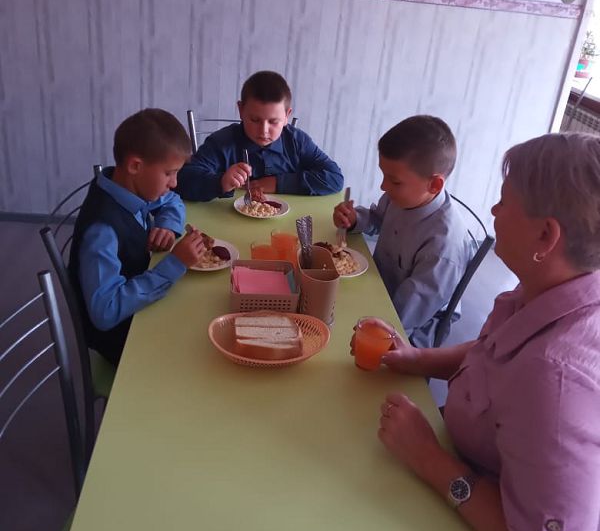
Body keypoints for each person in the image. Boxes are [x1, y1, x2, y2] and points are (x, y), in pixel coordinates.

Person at [376, 132, 600, 531]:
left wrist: (428, 458)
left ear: (546, 236)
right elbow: (489, 353)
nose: (494, 211)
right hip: (470, 466)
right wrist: (415, 359)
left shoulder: (555, 379)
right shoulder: (548, 288)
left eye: (504, 201)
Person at [69, 109, 207, 366]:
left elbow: (173, 200)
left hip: (142, 304)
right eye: (169, 173)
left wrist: (167, 226)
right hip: (124, 339)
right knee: (202, 347)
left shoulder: (123, 184)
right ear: (135, 166)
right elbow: (105, 311)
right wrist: (175, 264)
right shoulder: (102, 230)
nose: (175, 183)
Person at [334, 115, 473, 348]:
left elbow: (403, 316)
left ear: (434, 185)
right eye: (384, 175)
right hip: (378, 288)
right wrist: (355, 219)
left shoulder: (443, 247)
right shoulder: (402, 197)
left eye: (394, 181)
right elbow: (377, 219)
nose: (383, 186)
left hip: (411, 330)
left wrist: (359, 315)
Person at [176, 70, 344, 201]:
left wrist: (276, 183)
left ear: (287, 116)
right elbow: (182, 181)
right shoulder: (221, 142)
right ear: (241, 110)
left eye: (273, 121)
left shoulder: (297, 142)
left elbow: (334, 177)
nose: (263, 131)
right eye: (255, 120)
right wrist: (220, 182)